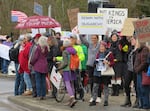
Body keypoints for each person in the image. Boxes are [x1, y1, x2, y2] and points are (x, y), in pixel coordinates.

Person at [89, 41, 114, 106]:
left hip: (105, 72)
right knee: (95, 86)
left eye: (102, 46)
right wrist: (96, 62)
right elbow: (94, 62)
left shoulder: (109, 54)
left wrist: (108, 63)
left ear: (105, 47)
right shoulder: (97, 54)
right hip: (97, 72)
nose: (101, 48)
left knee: (105, 86)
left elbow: (112, 62)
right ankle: (94, 99)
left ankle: (106, 100)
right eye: (100, 46)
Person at [79, 34, 101, 102]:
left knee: (97, 80)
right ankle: (92, 96)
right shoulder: (89, 45)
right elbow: (83, 40)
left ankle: (98, 96)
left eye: (95, 38)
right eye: (92, 38)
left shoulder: (99, 45)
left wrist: (105, 34)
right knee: (91, 81)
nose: (93, 39)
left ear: (97, 39)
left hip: (97, 65)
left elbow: (105, 40)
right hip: (90, 65)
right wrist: (80, 33)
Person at [56, 39, 77, 108]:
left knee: (67, 84)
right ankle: (72, 98)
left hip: (67, 70)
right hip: (73, 69)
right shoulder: (74, 50)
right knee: (72, 84)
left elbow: (65, 63)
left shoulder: (65, 52)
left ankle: (72, 97)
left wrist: (59, 68)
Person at [121, 36, 139, 107]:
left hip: (135, 69)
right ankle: (128, 100)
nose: (131, 41)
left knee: (136, 85)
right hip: (129, 69)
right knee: (126, 84)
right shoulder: (130, 48)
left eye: (132, 40)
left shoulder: (138, 49)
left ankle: (137, 100)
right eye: (131, 40)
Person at [30, 36, 49, 100]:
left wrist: (31, 63)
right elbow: (46, 56)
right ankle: (43, 94)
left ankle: (39, 94)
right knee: (43, 80)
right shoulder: (46, 48)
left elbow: (35, 57)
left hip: (38, 66)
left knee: (38, 80)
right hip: (44, 65)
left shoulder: (38, 48)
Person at [134, 41, 150, 110]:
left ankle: (145, 105)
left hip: (143, 72)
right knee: (139, 89)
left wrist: (137, 69)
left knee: (144, 89)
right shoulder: (138, 50)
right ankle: (141, 104)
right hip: (139, 72)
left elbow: (144, 62)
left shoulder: (145, 50)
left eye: (137, 42)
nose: (136, 43)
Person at [109, 31, 123, 96]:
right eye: (113, 37)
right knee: (112, 76)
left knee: (118, 76)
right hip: (112, 62)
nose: (114, 38)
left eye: (115, 37)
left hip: (118, 62)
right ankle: (113, 90)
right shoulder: (109, 45)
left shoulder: (120, 44)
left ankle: (117, 91)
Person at [28, 33, 41, 97]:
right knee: (34, 79)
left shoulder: (35, 46)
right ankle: (36, 92)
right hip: (34, 65)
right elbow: (30, 55)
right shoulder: (32, 46)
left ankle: (36, 93)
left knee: (35, 79)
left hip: (35, 65)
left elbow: (32, 56)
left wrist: (30, 63)